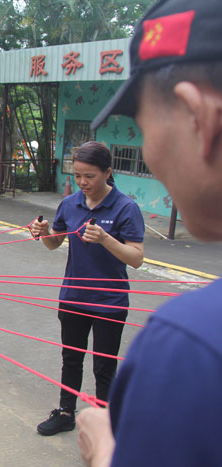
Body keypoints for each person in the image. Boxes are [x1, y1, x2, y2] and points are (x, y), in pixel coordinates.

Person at [76, 0, 222, 465]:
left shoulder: (192, 343)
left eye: (143, 128)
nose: (151, 157)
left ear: (199, 118)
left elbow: (136, 257)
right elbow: (55, 236)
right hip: (73, 300)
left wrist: (105, 452)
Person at [29, 141, 144, 436]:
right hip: (73, 296)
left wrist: (105, 238)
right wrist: (42, 233)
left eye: (90, 176)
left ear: (108, 172)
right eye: (78, 175)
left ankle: (105, 421)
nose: (82, 182)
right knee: (71, 358)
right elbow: (55, 243)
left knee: (104, 366)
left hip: (109, 300)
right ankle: (66, 412)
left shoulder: (125, 207)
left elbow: (137, 259)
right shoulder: (70, 203)